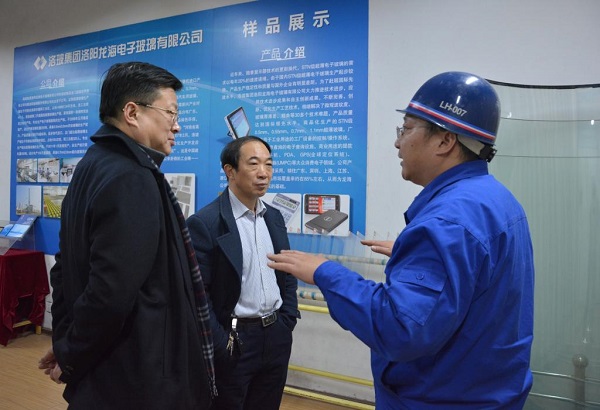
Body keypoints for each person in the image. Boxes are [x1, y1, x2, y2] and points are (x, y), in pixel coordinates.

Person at [268, 72, 535, 409]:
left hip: (439, 399)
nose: (398, 143)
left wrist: (324, 272)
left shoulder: (446, 223)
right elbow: (477, 279)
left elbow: (400, 328)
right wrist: (416, 256)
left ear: (445, 141)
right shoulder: (494, 200)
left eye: (406, 129)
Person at [38, 61, 216, 409]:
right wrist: (70, 352)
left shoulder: (93, 164)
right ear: (132, 112)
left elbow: (64, 269)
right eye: (170, 112)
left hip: (107, 374)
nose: (177, 125)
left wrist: (67, 345)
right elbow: (109, 293)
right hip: (136, 378)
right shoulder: (131, 177)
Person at [187, 136, 299, 410]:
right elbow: (198, 295)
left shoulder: (273, 217)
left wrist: (286, 320)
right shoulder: (206, 223)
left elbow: (285, 273)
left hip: (275, 335)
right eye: (253, 164)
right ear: (230, 171)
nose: (264, 173)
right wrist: (221, 343)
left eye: (269, 164)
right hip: (234, 340)